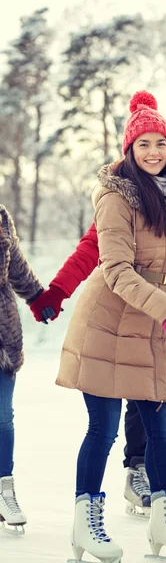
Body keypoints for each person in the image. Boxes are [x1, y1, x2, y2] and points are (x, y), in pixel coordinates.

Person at [30, 136, 166, 518]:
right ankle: (137, 470)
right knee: (134, 405)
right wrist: (58, 290)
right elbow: (94, 252)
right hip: (132, 316)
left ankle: (162, 474)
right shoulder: (126, 200)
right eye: (161, 152)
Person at [53, 90, 166, 563]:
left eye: (160, 144)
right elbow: (116, 271)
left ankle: (163, 523)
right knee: (102, 429)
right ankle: (85, 525)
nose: (154, 153)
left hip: (154, 323)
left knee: (162, 428)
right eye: (144, 145)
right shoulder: (115, 197)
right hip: (108, 324)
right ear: (130, 151)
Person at [0, 205, 45, 535]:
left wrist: (41, 299)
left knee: (2, 416)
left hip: (2, 335)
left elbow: (17, 269)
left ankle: (5, 492)